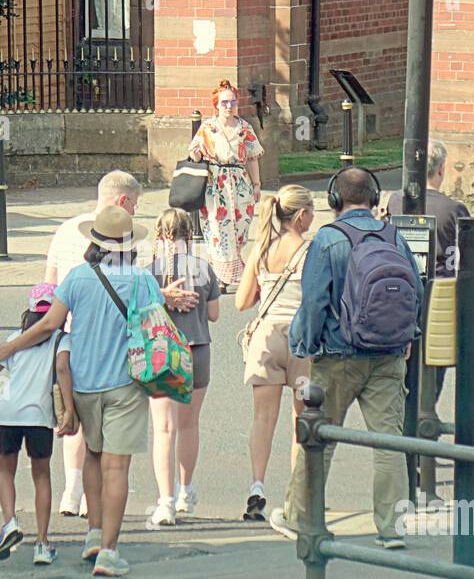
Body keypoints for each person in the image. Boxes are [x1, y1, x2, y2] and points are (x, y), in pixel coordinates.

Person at [0, 206, 160, 578]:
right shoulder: (142, 280)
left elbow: (49, 325)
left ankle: (93, 534)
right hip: (126, 383)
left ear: (95, 242)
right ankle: (109, 553)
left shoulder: (78, 277)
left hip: (83, 385)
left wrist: (12, 346)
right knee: (117, 467)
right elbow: (155, 330)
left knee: (93, 457)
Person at [281, 167, 423, 549]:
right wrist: (409, 335)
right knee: (388, 443)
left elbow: (314, 301)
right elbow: (416, 288)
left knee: (320, 440)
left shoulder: (328, 239)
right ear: (374, 198)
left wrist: (306, 345)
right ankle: (391, 528)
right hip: (388, 354)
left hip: (338, 355)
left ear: (334, 199)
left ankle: (302, 519)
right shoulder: (394, 236)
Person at [42, 170, 197, 518]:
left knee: (76, 423)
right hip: (118, 354)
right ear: (124, 201)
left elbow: (48, 289)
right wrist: (164, 296)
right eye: (135, 204)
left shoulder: (65, 233)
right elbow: (138, 302)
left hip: (75, 345)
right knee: (113, 449)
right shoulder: (130, 257)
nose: (135, 209)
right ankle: (101, 520)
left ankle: (71, 492)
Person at [0, 283, 79, 565]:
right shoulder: (60, 340)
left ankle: (10, 523)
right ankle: (42, 543)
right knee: (41, 476)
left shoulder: (15, 338)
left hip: (8, 414)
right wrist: (69, 409)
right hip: (38, 417)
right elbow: (62, 369)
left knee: (5, 470)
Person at [234, 185, 315, 522]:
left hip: (266, 338)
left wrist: (265, 289)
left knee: (263, 418)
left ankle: (257, 486)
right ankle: (298, 495)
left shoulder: (262, 248)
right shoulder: (309, 251)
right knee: (302, 419)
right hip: (300, 338)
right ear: (301, 216)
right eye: (311, 212)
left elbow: (241, 301)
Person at [148, 209, 220, 525]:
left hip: (163, 352)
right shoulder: (203, 268)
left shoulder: (150, 272)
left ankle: (165, 501)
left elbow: (138, 311)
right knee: (189, 425)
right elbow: (214, 314)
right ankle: (185, 492)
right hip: (198, 348)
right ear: (190, 235)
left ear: (159, 234)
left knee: (164, 428)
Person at [188, 79, 264, 290]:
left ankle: (231, 272)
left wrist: (256, 184)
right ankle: (222, 277)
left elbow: (252, 158)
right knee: (218, 230)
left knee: (240, 229)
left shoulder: (244, 128)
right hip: (216, 182)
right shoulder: (208, 128)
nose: (229, 106)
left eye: (232, 102)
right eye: (224, 102)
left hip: (240, 182)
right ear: (216, 105)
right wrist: (195, 154)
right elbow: (195, 155)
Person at [382, 139, 470, 279]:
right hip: (441, 283)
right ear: (441, 169)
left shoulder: (395, 201)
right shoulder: (454, 209)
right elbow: (470, 255)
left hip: (402, 281)